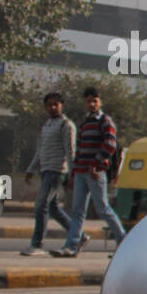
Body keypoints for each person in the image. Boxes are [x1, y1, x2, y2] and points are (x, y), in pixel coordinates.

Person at [52, 87, 125, 257]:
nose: (91, 104)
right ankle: (72, 246)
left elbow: (110, 144)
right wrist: (73, 173)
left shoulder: (105, 121)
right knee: (77, 211)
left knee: (103, 209)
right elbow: (79, 151)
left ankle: (123, 243)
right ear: (84, 103)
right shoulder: (85, 124)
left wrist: (96, 164)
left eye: (95, 101)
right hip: (81, 173)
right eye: (88, 101)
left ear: (100, 102)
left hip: (95, 173)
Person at [20, 93, 77, 256]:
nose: (52, 107)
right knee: (52, 209)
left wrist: (72, 175)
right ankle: (78, 235)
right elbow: (40, 150)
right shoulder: (47, 125)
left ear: (62, 105)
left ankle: (37, 244)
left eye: (56, 104)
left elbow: (70, 151)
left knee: (40, 205)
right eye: (49, 105)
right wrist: (31, 168)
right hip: (45, 170)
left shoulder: (66, 125)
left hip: (57, 171)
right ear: (45, 107)